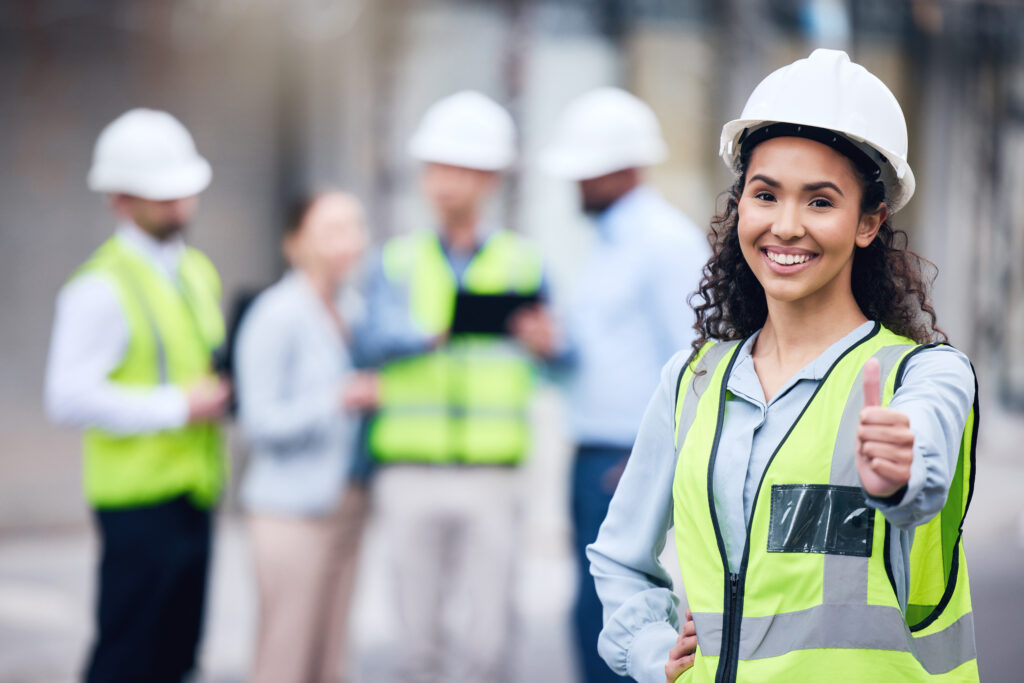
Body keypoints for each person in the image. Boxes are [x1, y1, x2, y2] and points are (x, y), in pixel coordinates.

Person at [588, 49, 979, 683]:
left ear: (869, 222)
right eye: (766, 194)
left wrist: (902, 474)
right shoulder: (693, 382)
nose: (786, 226)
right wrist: (650, 649)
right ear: (740, 204)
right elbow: (620, 556)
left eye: (821, 202)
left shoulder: (925, 377)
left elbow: (923, 469)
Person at [362, 90, 559, 683]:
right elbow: (367, 339)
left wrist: (547, 341)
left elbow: (557, 355)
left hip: (492, 475)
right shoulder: (394, 261)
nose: (444, 182)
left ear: (490, 178)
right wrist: (429, 333)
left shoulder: (527, 263)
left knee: (489, 644)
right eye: (435, 168)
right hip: (410, 470)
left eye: (460, 169)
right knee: (416, 643)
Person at [44, 108, 230, 683]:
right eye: (162, 195)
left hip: (196, 492)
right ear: (119, 200)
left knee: (178, 658)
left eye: (183, 193)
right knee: (127, 659)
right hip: (137, 505)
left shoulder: (197, 271)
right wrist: (177, 406)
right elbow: (66, 395)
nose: (179, 205)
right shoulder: (99, 287)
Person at [539, 87, 710, 682]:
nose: (575, 185)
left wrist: (649, 461)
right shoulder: (606, 245)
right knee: (590, 621)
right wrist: (551, 348)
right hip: (592, 454)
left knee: (616, 623)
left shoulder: (664, 243)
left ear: (624, 168)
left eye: (586, 173)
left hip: (623, 459)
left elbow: (697, 361)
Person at [235, 191, 377, 683]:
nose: (349, 242)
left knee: (331, 658)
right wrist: (337, 399)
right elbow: (260, 421)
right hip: (290, 512)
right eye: (332, 230)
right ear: (296, 242)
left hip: (347, 502)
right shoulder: (276, 314)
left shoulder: (353, 309)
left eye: (354, 227)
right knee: (285, 658)